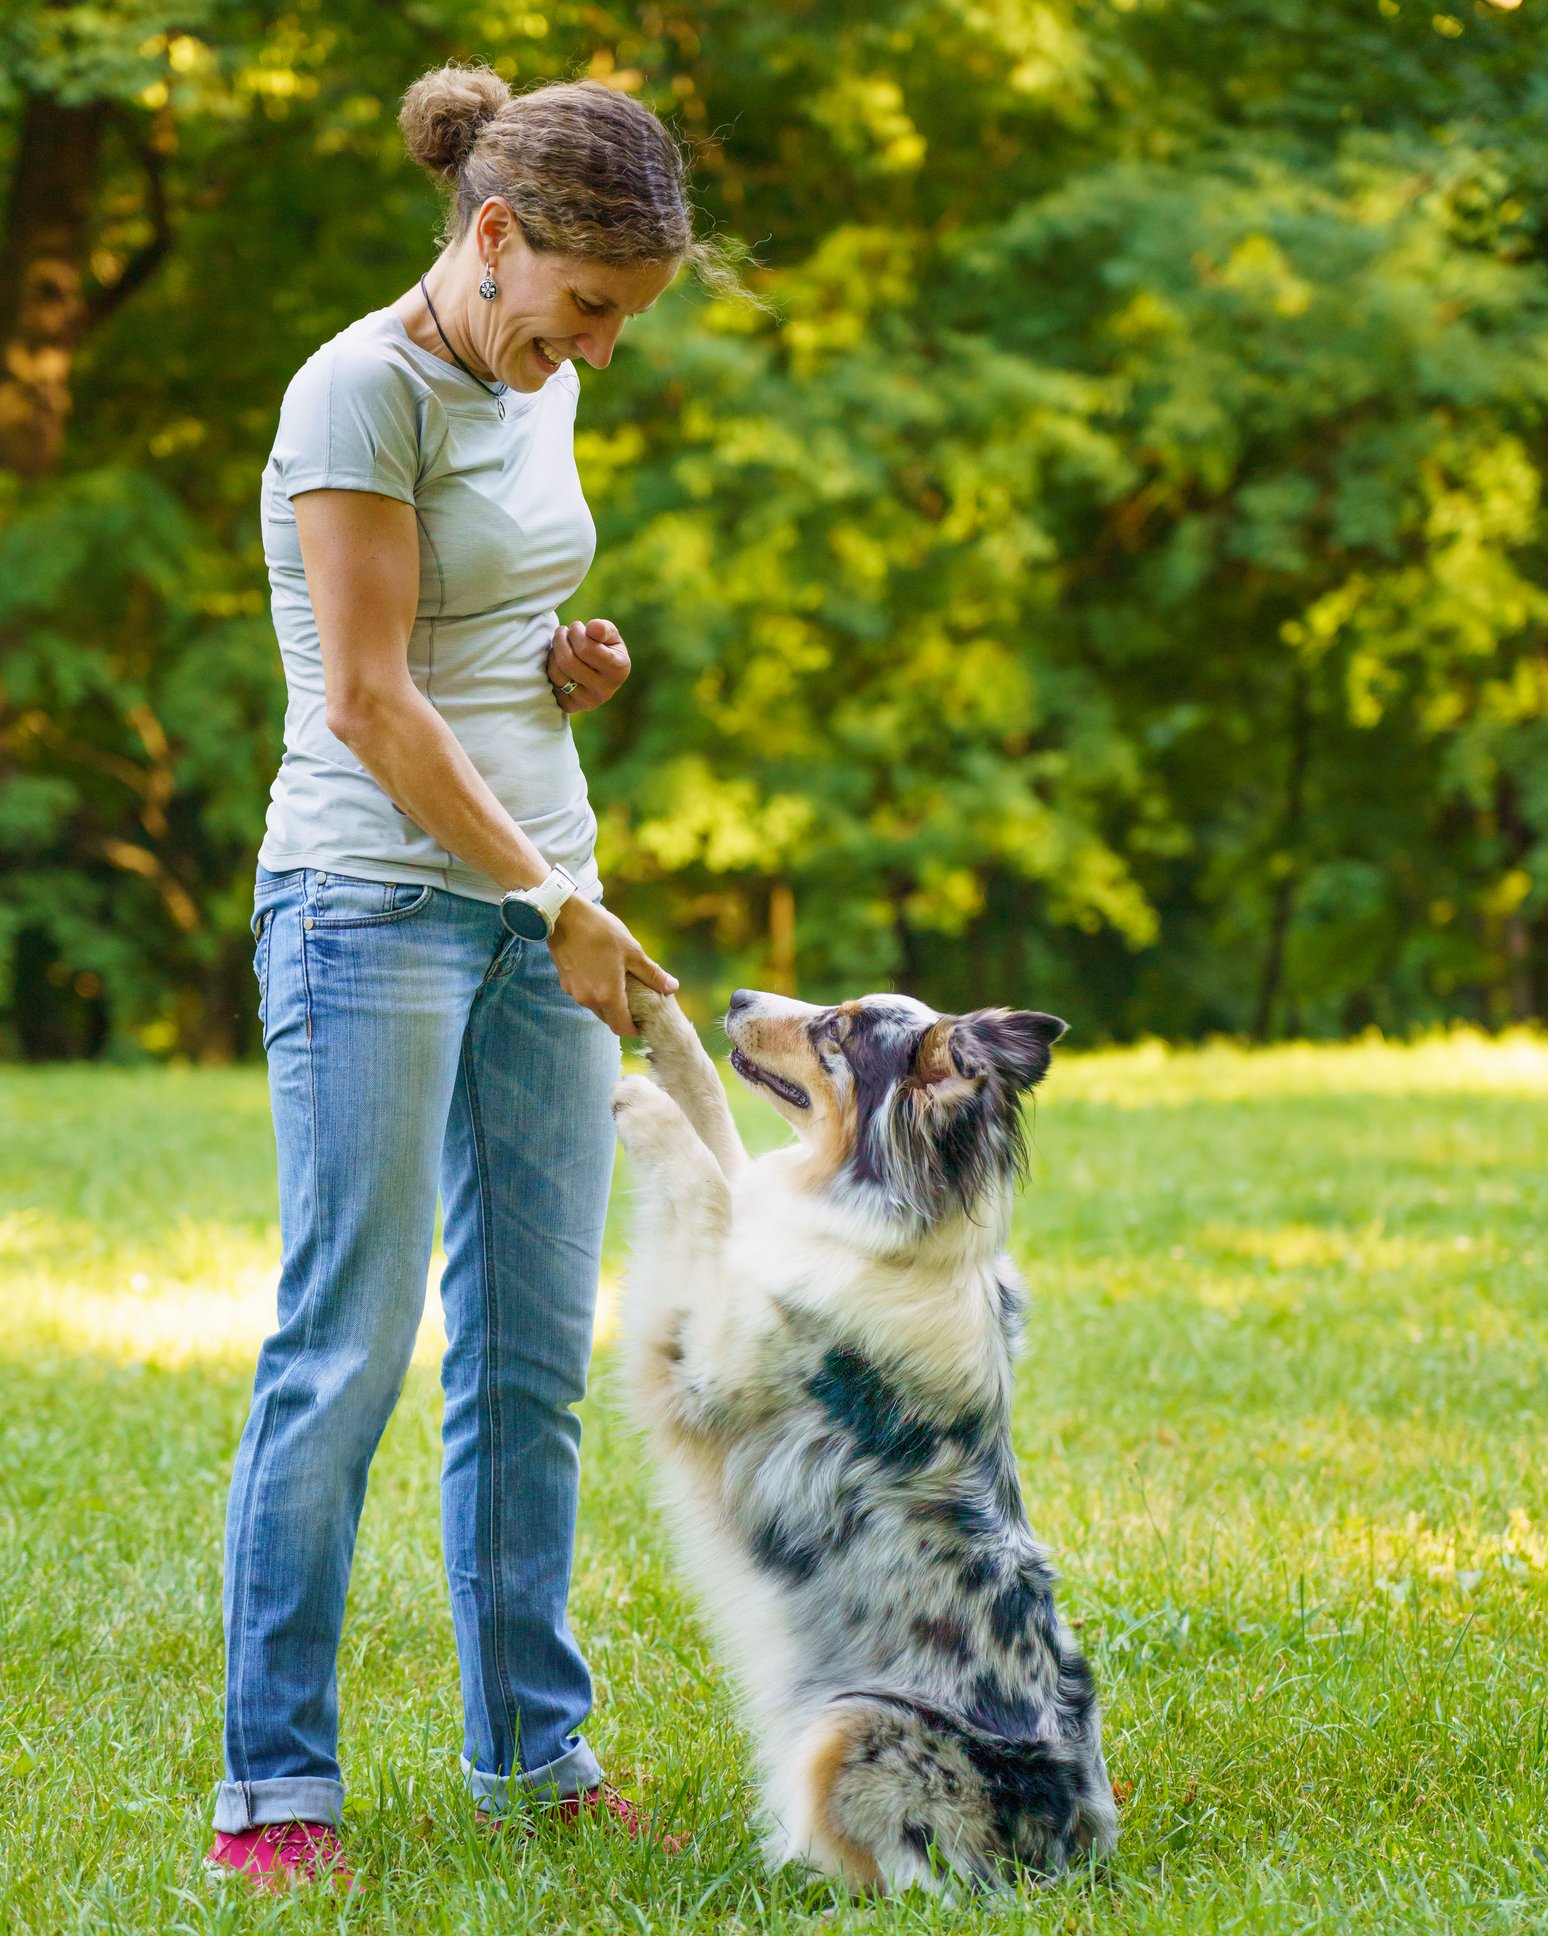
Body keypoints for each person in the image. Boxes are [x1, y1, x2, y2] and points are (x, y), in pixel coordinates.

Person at [205, 62, 733, 1891]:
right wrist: (549, 904)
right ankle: (275, 1792)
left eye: (622, 323)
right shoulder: (357, 389)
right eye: (585, 309)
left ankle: (534, 1753)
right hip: (373, 907)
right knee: (343, 1353)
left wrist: (564, 660)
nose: (594, 351)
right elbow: (362, 696)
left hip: (535, 895)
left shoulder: (536, 377)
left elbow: (474, 624)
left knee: (527, 1359)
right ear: (493, 240)